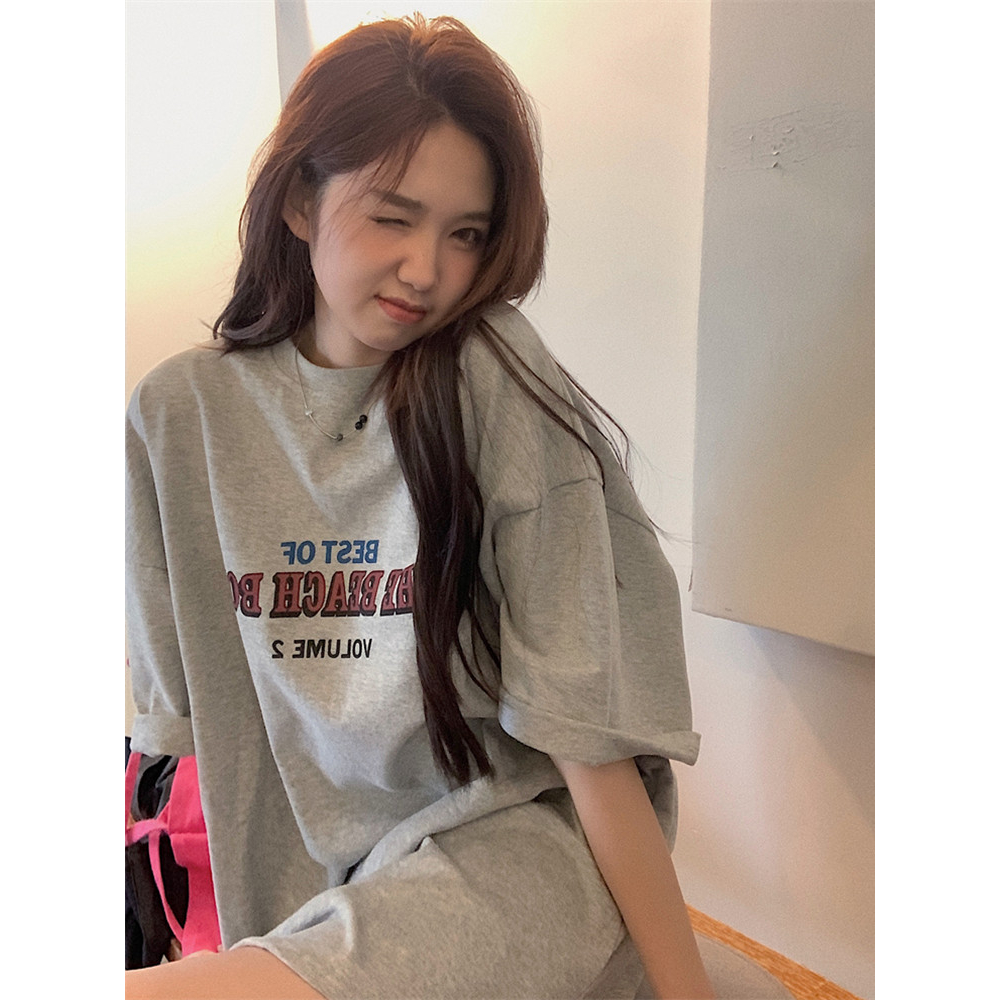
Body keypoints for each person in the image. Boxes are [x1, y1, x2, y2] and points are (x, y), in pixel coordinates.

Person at [125, 14, 713, 1000]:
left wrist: (685, 989)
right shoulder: (177, 417)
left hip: (515, 845)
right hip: (326, 886)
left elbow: (583, 733)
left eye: (465, 234)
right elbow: (198, 738)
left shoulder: (492, 372)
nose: (428, 271)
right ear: (300, 201)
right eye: (393, 218)